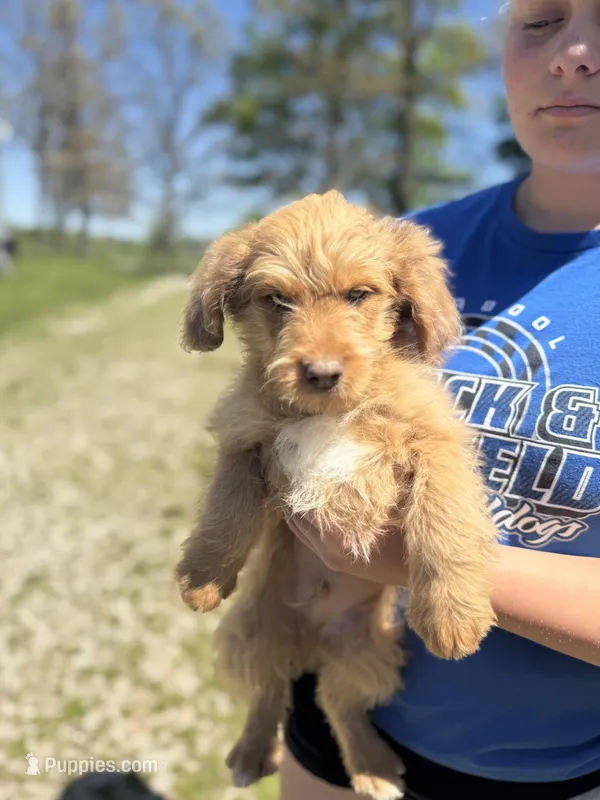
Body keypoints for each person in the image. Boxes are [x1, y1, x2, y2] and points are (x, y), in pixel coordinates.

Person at [279, 1, 600, 798]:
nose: (573, 54)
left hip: (551, 770)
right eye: (540, 20)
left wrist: (427, 560)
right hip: (343, 716)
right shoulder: (401, 248)